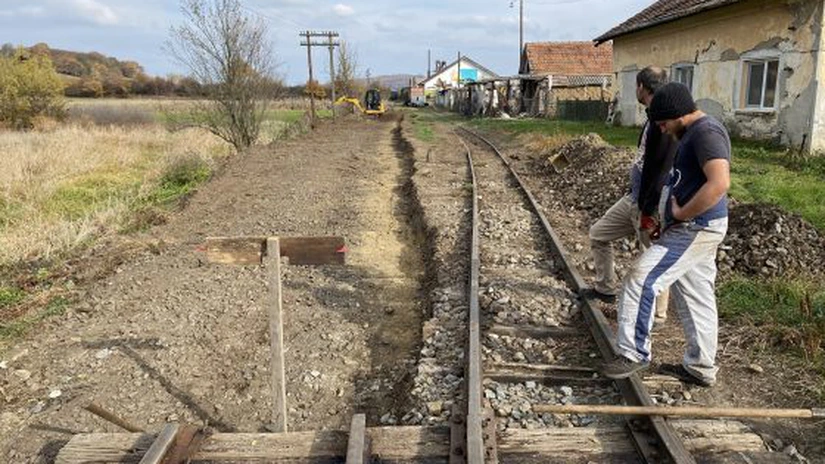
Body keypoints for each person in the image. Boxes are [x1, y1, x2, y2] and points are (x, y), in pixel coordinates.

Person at [602, 82, 731, 387]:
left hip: (696, 227)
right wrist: (669, 218)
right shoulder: (693, 132)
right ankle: (701, 366)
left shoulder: (706, 133)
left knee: (640, 278)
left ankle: (633, 353)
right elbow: (687, 182)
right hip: (689, 227)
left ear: (678, 114)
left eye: (662, 123)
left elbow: (719, 183)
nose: (660, 129)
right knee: (695, 296)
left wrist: (683, 214)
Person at [588, 66, 677, 328]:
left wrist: (650, 208)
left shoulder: (664, 123)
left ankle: (657, 315)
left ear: (642, 87)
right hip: (635, 198)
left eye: (635, 86)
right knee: (598, 233)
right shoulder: (653, 117)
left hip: (650, 204)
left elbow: (662, 168)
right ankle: (605, 287)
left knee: (653, 256)